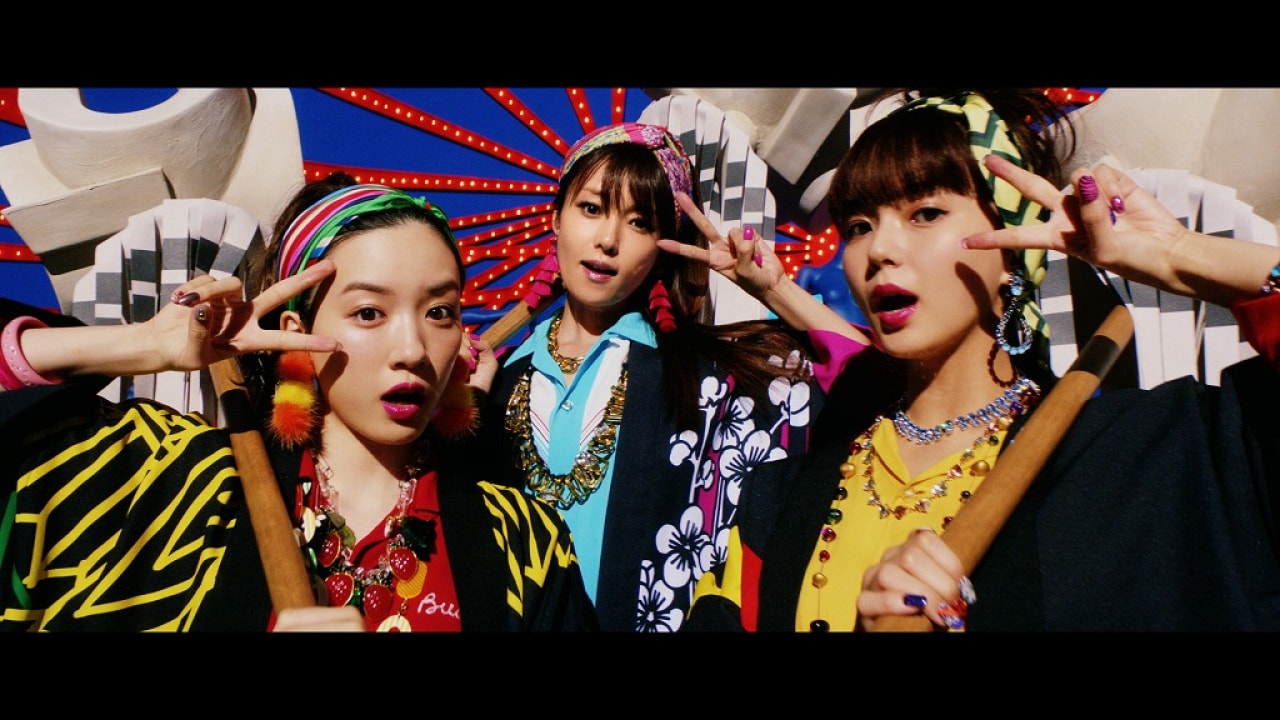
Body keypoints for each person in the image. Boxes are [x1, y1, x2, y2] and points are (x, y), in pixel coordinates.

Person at [665, 88, 1280, 632]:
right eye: (857, 225)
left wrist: (1178, 256)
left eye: (926, 213)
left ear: (1012, 248)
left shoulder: (1155, 456)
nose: (879, 248)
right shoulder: (781, 497)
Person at [0, 172, 598, 632]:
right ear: (296, 333)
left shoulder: (522, 540)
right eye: (370, 312)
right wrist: (147, 344)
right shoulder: (182, 482)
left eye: (439, 312)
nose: (413, 349)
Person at [467, 122, 821, 632]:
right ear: (556, 217)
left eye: (639, 222)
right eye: (591, 209)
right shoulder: (497, 380)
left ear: (663, 245)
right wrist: (464, 406)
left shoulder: (708, 386)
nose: (608, 240)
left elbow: (867, 383)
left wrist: (775, 290)